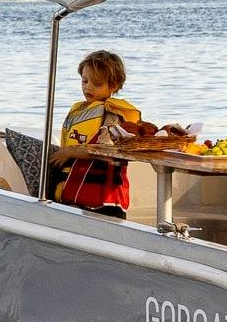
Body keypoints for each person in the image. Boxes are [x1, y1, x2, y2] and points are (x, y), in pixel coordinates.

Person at [54, 48, 192, 214]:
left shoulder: (113, 114)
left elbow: (104, 150)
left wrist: (68, 152)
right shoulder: (80, 110)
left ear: (113, 86)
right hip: (75, 193)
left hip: (104, 202)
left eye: (96, 83)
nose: (88, 87)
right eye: (84, 81)